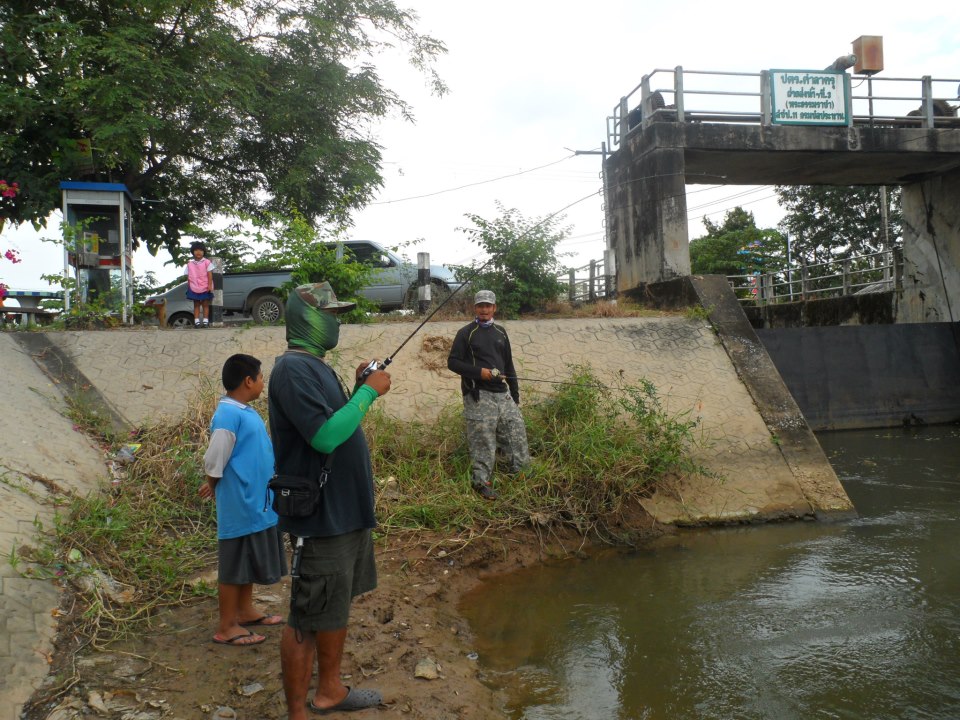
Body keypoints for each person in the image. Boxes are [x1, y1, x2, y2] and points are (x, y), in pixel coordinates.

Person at [268, 282, 392, 719]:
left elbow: (335, 419)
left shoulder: (315, 367)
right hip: (319, 518)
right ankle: (299, 713)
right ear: (307, 318)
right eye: (332, 314)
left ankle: (331, 691)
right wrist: (369, 392)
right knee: (305, 614)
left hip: (345, 514)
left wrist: (357, 386)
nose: (338, 321)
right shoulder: (292, 370)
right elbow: (326, 436)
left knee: (334, 604)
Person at [201, 353, 287, 647]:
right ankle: (227, 626)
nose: (263, 382)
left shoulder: (243, 410)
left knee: (247, 557)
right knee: (234, 563)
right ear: (248, 381)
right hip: (240, 501)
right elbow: (215, 458)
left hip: (256, 500)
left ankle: (245, 610)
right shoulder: (228, 415)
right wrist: (211, 483)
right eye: (261, 377)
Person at [447, 289, 530, 500]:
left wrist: (515, 395)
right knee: (483, 440)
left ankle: (521, 474)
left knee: (516, 431)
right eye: (480, 306)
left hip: (503, 394)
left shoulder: (501, 332)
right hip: (478, 394)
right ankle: (481, 482)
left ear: (494, 308)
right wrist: (479, 373)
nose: (484, 309)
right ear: (474, 308)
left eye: (488, 306)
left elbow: (509, 365)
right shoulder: (466, 333)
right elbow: (453, 363)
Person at [185, 240, 214, 328]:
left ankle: (205, 321)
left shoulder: (207, 262)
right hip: (194, 287)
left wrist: (209, 285)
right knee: (196, 304)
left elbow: (209, 274)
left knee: (205, 304)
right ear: (193, 252)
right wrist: (189, 287)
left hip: (205, 286)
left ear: (203, 252)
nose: (198, 252)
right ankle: (196, 321)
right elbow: (188, 276)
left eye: (201, 250)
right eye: (196, 250)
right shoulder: (190, 264)